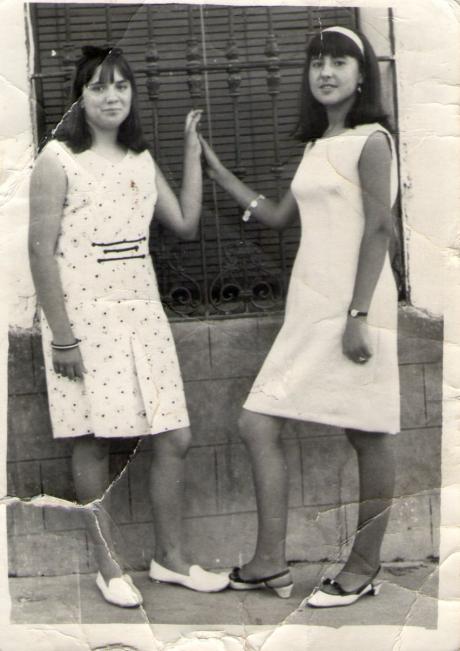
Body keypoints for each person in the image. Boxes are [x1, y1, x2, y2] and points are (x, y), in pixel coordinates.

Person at [200, 26, 399, 607]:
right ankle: (269, 563)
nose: (325, 73)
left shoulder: (372, 141)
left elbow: (379, 230)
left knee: (367, 432)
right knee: (258, 423)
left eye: (339, 62)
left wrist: (358, 314)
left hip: (356, 303)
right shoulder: (319, 143)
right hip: (310, 307)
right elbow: (280, 215)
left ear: (361, 76)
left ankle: (363, 567)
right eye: (316, 63)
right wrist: (218, 173)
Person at [28, 45, 228, 608]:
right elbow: (40, 252)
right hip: (82, 320)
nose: (111, 96)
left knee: (174, 436)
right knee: (93, 438)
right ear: (79, 97)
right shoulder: (57, 159)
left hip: (142, 312)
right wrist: (63, 336)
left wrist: (190, 153)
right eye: (97, 87)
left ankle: (171, 559)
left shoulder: (140, 158)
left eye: (120, 85)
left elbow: (184, 222)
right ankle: (108, 567)